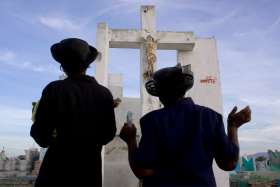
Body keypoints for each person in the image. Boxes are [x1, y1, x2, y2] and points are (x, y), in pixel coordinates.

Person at [120, 64, 251, 187]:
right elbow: (229, 163)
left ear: (159, 94)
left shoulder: (151, 120)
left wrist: (131, 140)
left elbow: (143, 171)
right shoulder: (211, 117)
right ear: (184, 89)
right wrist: (233, 127)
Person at [30, 38, 117, 187]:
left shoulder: (54, 89)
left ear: (62, 66)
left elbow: (41, 136)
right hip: (90, 173)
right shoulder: (104, 94)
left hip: (56, 172)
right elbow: (108, 134)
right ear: (87, 65)